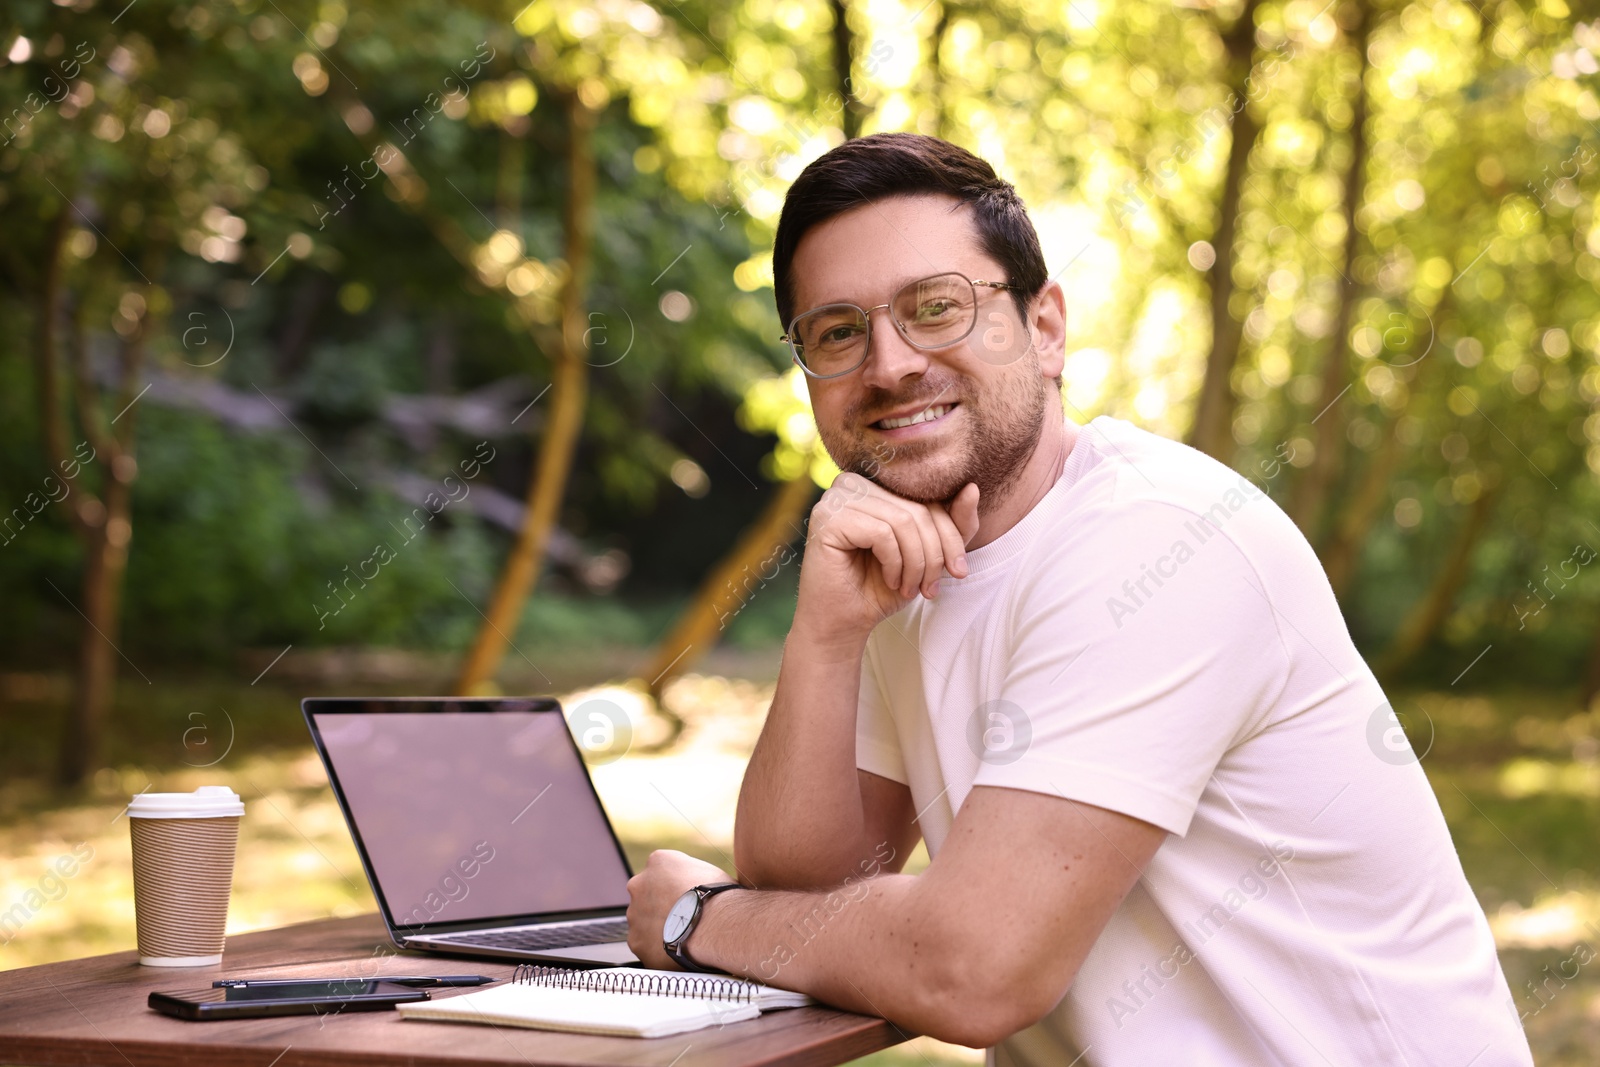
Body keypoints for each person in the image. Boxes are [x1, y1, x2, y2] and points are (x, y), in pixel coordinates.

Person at [626, 132, 1533, 1066]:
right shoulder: (903, 560)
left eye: (936, 308)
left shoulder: (1163, 542)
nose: (890, 364)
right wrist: (824, 634)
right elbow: (802, 881)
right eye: (839, 331)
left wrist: (700, 919)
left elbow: (973, 968)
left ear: (1045, 327)